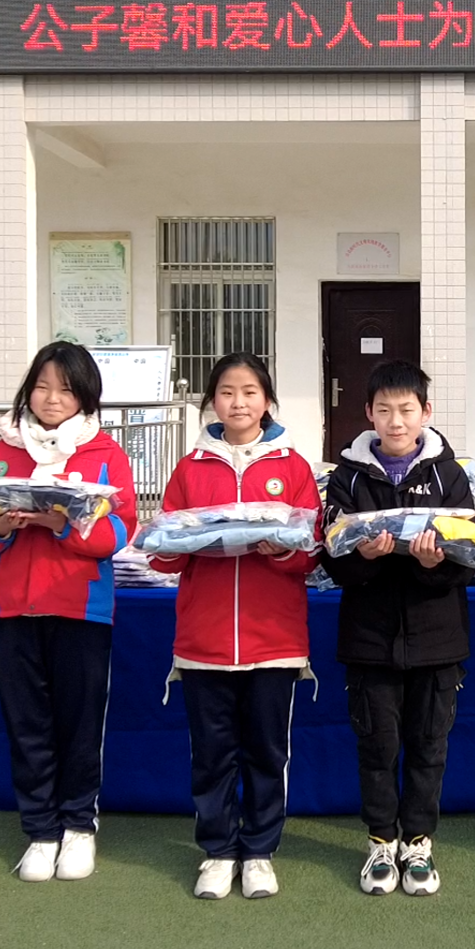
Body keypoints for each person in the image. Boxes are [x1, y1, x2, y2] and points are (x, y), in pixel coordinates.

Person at [0, 341, 137, 883]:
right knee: (27, 724)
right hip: (11, 608)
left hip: (82, 608)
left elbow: (118, 534)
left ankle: (79, 826)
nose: (52, 398)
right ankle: (40, 830)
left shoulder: (106, 454)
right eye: (42, 386)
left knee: (79, 725)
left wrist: (64, 524)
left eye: (65, 389)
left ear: (86, 396)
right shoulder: (0, 454)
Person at [150, 353, 320, 901]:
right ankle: (218, 851)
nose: (239, 402)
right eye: (227, 391)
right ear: (212, 402)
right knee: (211, 753)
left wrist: (280, 549)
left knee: (267, 752)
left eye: (250, 391)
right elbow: (163, 555)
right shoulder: (190, 468)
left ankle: (261, 851)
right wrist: (177, 540)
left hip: (275, 639)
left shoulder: (293, 467)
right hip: (204, 641)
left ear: (267, 400)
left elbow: (311, 550)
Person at [317, 360, 475, 897]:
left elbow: (469, 559)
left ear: (426, 412)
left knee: (429, 746)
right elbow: (332, 559)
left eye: (406, 409)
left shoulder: (451, 476)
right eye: (384, 410)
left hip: (438, 639)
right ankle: (381, 842)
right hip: (370, 640)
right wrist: (361, 557)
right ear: (368, 413)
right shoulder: (347, 477)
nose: (396, 421)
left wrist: (436, 564)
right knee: (377, 747)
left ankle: (419, 844)